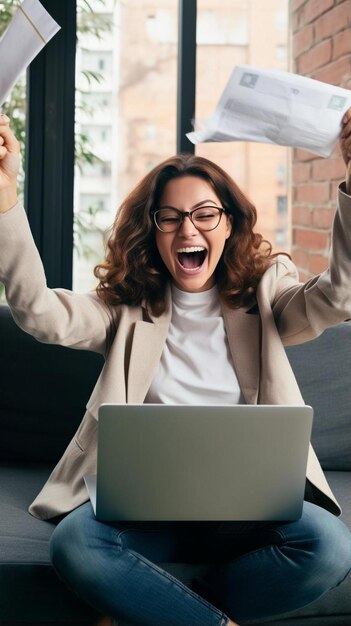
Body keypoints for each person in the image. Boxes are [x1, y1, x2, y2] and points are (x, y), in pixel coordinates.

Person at [0, 110, 351, 626]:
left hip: (247, 513)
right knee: (75, 544)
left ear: (228, 224)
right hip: (145, 513)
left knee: (328, 548)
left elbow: (339, 296)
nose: (188, 228)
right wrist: (6, 198)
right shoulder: (124, 307)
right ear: (155, 231)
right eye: (170, 217)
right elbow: (39, 314)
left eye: (205, 213)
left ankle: (155, 606)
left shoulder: (268, 295)